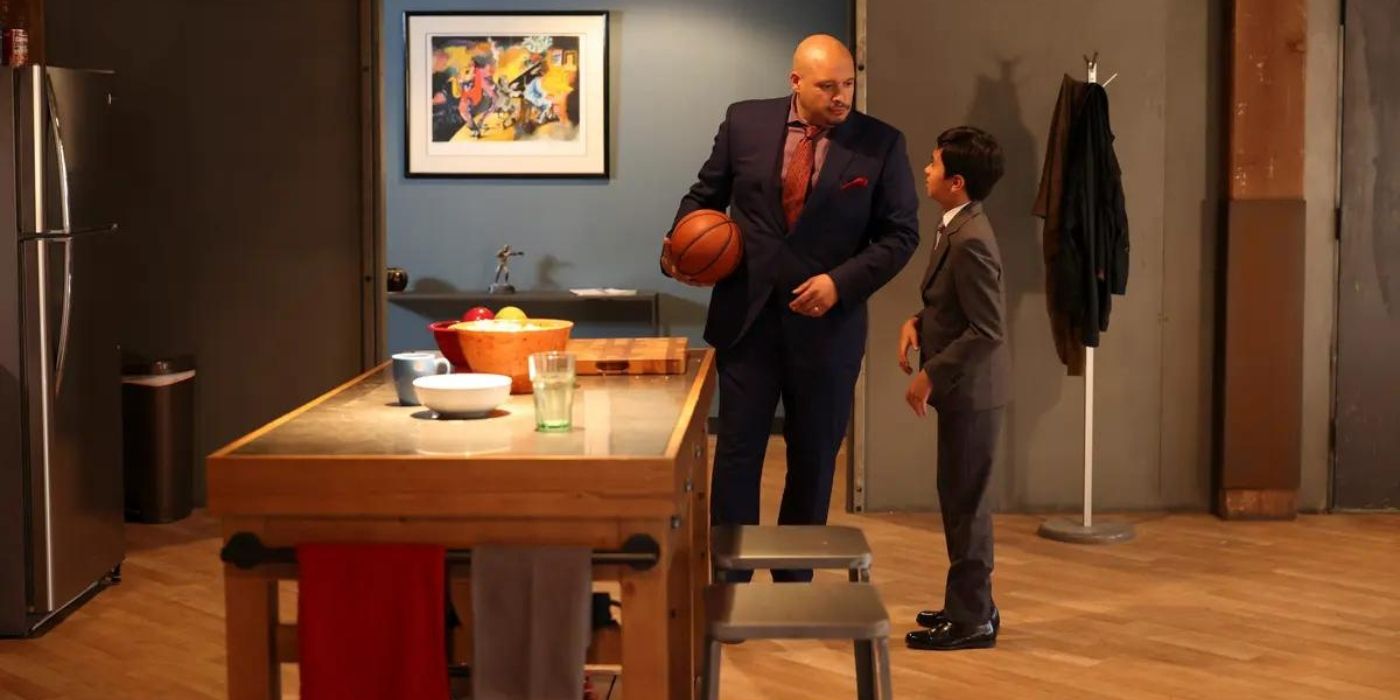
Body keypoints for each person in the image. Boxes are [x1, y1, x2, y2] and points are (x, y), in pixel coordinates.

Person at [660, 34, 919, 582]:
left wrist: (840, 283)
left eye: (849, 83)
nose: (842, 96)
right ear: (796, 81)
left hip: (828, 326)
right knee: (737, 454)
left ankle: (793, 581)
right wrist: (676, 249)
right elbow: (703, 198)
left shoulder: (881, 144)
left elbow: (900, 235)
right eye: (828, 86)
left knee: (814, 454)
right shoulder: (744, 123)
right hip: (746, 320)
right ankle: (729, 581)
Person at [898, 126, 1009, 650]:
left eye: (934, 163)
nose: (926, 169)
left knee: (967, 503)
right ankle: (970, 605)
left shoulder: (971, 241)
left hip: (971, 392)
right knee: (957, 497)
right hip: (962, 392)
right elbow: (952, 305)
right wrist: (917, 321)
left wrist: (930, 372)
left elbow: (988, 329)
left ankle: (972, 621)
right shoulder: (956, 227)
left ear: (957, 182)